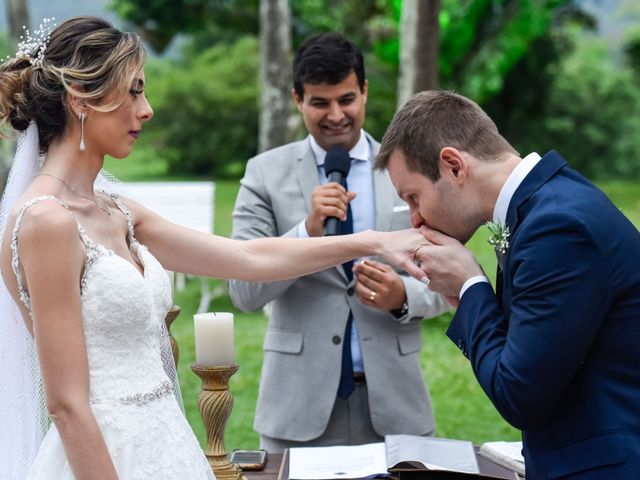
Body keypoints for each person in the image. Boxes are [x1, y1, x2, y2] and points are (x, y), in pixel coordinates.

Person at [0, 17, 429, 480]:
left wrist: (373, 241)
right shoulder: (45, 220)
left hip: (168, 443)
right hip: (103, 460)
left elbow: (249, 259)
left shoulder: (119, 212)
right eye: (134, 91)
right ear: (82, 100)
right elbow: (65, 404)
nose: (147, 110)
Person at [376, 90, 640, 479]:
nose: (415, 220)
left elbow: (519, 395)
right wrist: (462, 298)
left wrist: (470, 286)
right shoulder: (544, 205)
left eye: (414, 197)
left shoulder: (557, 227)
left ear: (453, 166)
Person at [228, 33, 449, 452]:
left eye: (346, 99)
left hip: (396, 408)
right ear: (297, 99)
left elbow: (448, 280)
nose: (335, 115)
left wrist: (404, 294)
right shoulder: (264, 174)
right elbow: (244, 292)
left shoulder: (409, 170)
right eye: (320, 103)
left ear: (364, 91)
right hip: (297, 410)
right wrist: (306, 232)